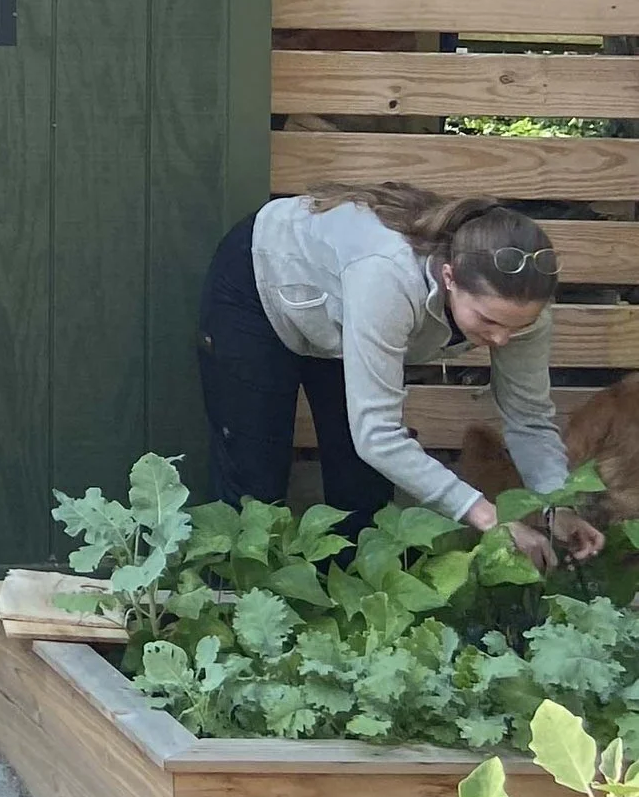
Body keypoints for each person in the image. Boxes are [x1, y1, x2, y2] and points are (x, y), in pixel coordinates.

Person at [197, 186, 607, 565]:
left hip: (344, 310)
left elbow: (529, 420)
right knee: (254, 488)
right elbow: (377, 434)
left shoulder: (521, 311)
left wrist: (559, 507)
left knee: (364, 497)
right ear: (449, 278)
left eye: (517, 327)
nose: (501, 339)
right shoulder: (388, 275)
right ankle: (232, 608)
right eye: (488, 320)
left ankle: (356, 629)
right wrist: (486, 515)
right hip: (262, 281)